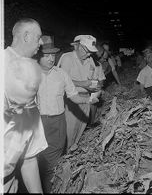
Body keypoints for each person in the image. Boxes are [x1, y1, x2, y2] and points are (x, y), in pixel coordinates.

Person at [35, 36, 99, 193]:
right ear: (38, 56)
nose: (51, 59)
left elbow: (74, 96)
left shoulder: (61, 74)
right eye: (46, 55)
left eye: (52, 55)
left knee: (53, 162)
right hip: (38, 123)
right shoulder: (31, 73)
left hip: (58, 122)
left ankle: (52, 188)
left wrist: (90, 99)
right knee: (36, 161)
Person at [3, 18, 47, 193]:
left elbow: (28, 157)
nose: (42, 42)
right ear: (26, 36)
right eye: (39, 37)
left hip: (9, 179)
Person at [57, 35, 103, 150]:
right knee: (69, 132)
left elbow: (93, 79)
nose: (89, 55)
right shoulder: (67, 58)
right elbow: (60, 80)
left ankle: (71, 155)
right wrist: (83, 84)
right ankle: (64, 158)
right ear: (80, 47)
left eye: (91, 52)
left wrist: (95, 86)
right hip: (71, 101)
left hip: (86, 99)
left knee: (79, 132)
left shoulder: (90, 60)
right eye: (87, 51)